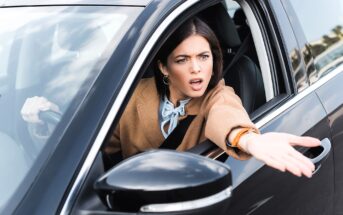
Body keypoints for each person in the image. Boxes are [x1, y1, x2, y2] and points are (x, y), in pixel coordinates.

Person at [21, 16, 320, 178]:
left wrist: (250, 139)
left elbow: (226, 116)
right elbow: (94, 145)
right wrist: (47, 122)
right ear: (164, 67)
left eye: (204, 57)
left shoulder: (217, 95)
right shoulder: (133, 97)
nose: (197, 69)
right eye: (183, 60)